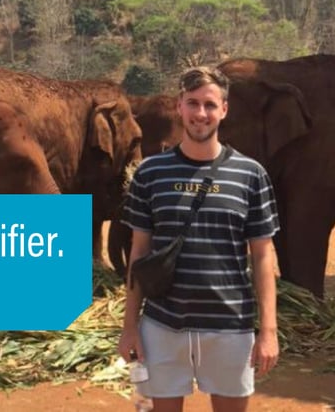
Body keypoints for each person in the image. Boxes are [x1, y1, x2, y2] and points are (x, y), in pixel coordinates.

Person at [118, 66, 280, 412]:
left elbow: (263, 256)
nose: (200, 114)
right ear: (180, 107)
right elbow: (139, 252)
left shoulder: (251, 175)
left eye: (209, 104)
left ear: (224, 109)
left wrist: (268, 331)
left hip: (231, 328)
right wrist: (130, 326)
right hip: (162, 326)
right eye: (193, 103)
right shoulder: (150, 173)